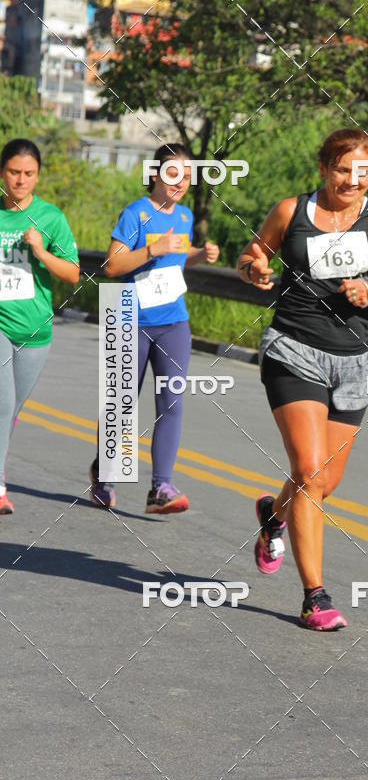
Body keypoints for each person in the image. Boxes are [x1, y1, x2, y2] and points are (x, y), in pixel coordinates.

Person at [236, 128, 368, 630]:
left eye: (363, 172)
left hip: (357, 361)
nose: (352, 180)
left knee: (322, 482)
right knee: (310, 467)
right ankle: (314, 597)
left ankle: (273, 516)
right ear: (324, 168)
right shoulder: (289, 212)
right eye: (343, 169)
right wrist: (253, 268)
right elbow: (252, 257)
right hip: (294, 350)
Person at [89, 143, 219, 514]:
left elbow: (177, 258)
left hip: (173, 321)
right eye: (173, 174)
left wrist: (200, 254)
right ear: (156, 175)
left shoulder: (184, 216)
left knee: (172, 404)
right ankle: (106, 477)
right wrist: (151, 249)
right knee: (121, 405)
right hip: (128, 315)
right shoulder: (136, 214)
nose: (181, 183)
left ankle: (160, 488)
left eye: (187, 177)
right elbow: (112, 267)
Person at [0, 138, 80, 514]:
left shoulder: (51, 218)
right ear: (3, 172)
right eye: (14, 172)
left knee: (10, 412)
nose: (20, 180)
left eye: (28, 173)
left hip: (35, 331)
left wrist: (41, 252)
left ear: (37, 176)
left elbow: (73, 275)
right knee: (2, 405)